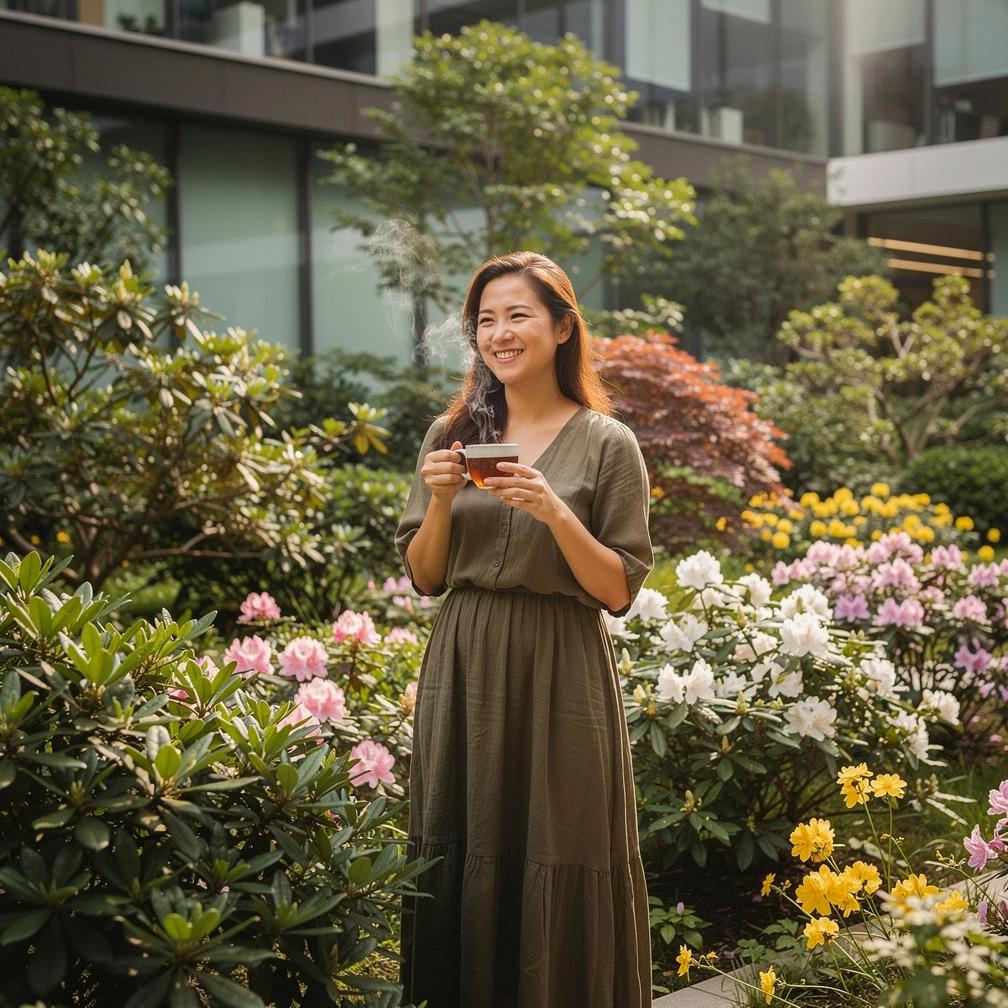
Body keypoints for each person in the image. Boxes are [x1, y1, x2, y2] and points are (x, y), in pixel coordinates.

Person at [395, 251, 653, 1007]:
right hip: (466, 661)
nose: (499, 334)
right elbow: (427, 576)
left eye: (518, 316)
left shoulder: (607, 443)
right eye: (485, 320)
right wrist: (440, 500)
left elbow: (616, 588)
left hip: (561, 668)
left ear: (563, 327)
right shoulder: (450, 431)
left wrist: (554, 511)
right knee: (461, 836)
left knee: (561, 840)